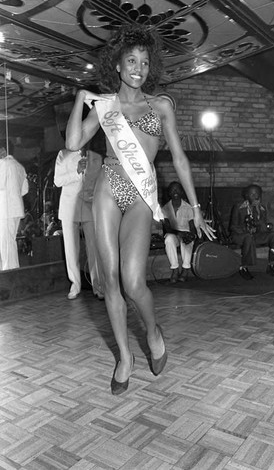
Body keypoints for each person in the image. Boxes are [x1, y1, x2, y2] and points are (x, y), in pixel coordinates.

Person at [65, 24, 216, 395]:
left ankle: (152, 331)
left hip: (140, 194)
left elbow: (179, 159)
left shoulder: (160, 105)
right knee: (110, 280)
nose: (138, 67)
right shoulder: (105, 106)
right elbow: (72, 143)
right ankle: (124, 357)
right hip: (108, 187)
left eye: (145, 62)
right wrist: (80, 97)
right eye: (131, 60)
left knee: (134, 282)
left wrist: (195, 207)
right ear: (117, 65)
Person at [54, 147, 105, 300]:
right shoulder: (63, 154)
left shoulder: (96, 155)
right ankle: (75, 285)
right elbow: (57, 181)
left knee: (94, 248)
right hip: (69, 207)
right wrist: (76, 171)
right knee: (71, 249)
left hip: (90, 206)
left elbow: (100, 181)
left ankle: (98, 286)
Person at [229, 183, 274, 280]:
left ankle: (272, 264)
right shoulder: (239, 207)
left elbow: (264, 229)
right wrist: (246, 230)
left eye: (257, 194)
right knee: (248, 237)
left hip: (254, 236)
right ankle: (243, 267)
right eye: (252, 194)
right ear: (247, 195)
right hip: (239, 236)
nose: (255, 196)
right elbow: (233, 227)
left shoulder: (262, 209)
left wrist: (259, 217)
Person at [0, 147, 29, 270]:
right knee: (9, 241)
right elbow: (25, 189)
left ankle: (9, 271)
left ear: (3, 151)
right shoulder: (19, 166)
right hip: (16, 208)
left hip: (6, 209)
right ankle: (11, 269)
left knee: (6, 243)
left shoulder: (3, 164)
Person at [162, 181, 196, 283]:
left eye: (177, 189)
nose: (175, 191)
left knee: (187, 240)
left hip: (185, 234)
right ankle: (175, 269)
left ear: (181, 192)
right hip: (173, 234)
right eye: (172, 189)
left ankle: (185, 269)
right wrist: (179, 234)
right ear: (169, 193)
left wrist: (191, 235)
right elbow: (167, 228)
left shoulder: (188, 207)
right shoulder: (165, 208)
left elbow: (192, 226)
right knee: (168, 239)